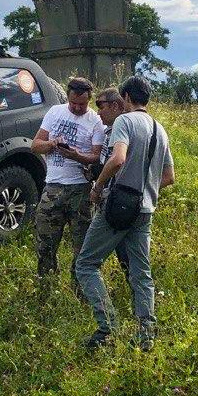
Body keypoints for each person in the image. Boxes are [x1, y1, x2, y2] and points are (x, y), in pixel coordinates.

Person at [75, 75, 175, 351]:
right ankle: (146, 335)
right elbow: (168, 176)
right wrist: (144, 188)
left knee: (86, 264)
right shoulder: (159, 129)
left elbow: (117, 159)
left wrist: (98, 186)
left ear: (127, 98)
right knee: (141, 272)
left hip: (118, 207)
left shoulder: (124, 121)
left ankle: (107, 326)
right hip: (145, 209)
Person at [31, 77, 105, 293]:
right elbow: (36, 145)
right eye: (73, 103)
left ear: (89, 101)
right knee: (45, 242)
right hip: (53, 186)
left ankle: (80, 290)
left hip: (80, 190)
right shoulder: (55, 112)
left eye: (82, 104)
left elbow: (96, 157)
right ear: (68, 97)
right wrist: (52, 144)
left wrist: (77, 156)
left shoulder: (95, 122)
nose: (77, 107)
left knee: (81, 245)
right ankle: (46, 286)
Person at [91, 88, 131, 277]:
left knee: (87, 260)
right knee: (126, 253)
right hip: (118, 200)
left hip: (116, 200)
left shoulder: (122, 130)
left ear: (116, 105)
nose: (98, 111)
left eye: (101, 105)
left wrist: (98, 188)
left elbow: (117, 161)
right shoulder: (109, 131)